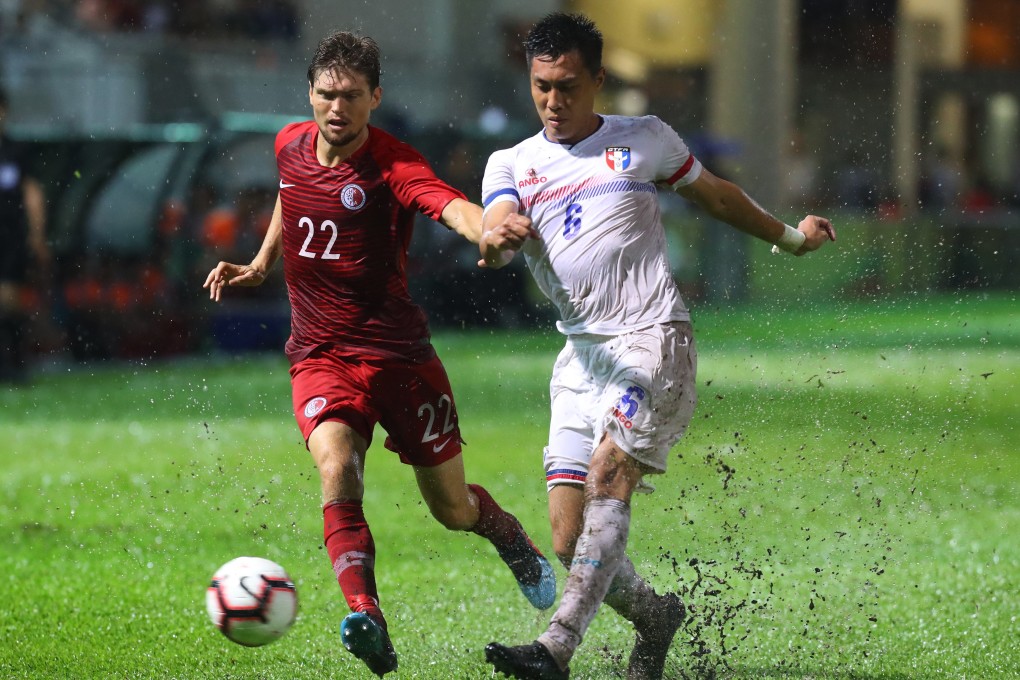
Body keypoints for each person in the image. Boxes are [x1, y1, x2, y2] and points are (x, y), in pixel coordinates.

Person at [479, 13, 836, 680]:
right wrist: (495, 240)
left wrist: (791, 238)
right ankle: (656, 617)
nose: (554, 102)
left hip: (652, 340)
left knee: (611, 472)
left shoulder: (643, 139)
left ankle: (554, 648)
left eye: (568, 85)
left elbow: (720, 198)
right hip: (578, 359)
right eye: (541, 87)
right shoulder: (512, 161)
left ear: (598, 80)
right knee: (566, 538)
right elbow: (495, 221)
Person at [202, 30, 554, 678]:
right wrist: (259, 263)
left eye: (352, 97)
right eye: (327, 94)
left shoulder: (393, 165)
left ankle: (506, 534)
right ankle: (368, 616)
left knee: (453, 511)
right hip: (319, 354)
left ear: (375, 98)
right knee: (338, 469)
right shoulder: (288, 144)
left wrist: (491, 228)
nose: (337, 108)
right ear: (309, 93)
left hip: (399, 359)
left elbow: (448, 206)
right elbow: (289, 191)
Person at [0, 87, 48, 383]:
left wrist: (36, 234)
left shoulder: (16, 151)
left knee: (10, 299)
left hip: (10, 235)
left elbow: (32, 193)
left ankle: (14, 363)